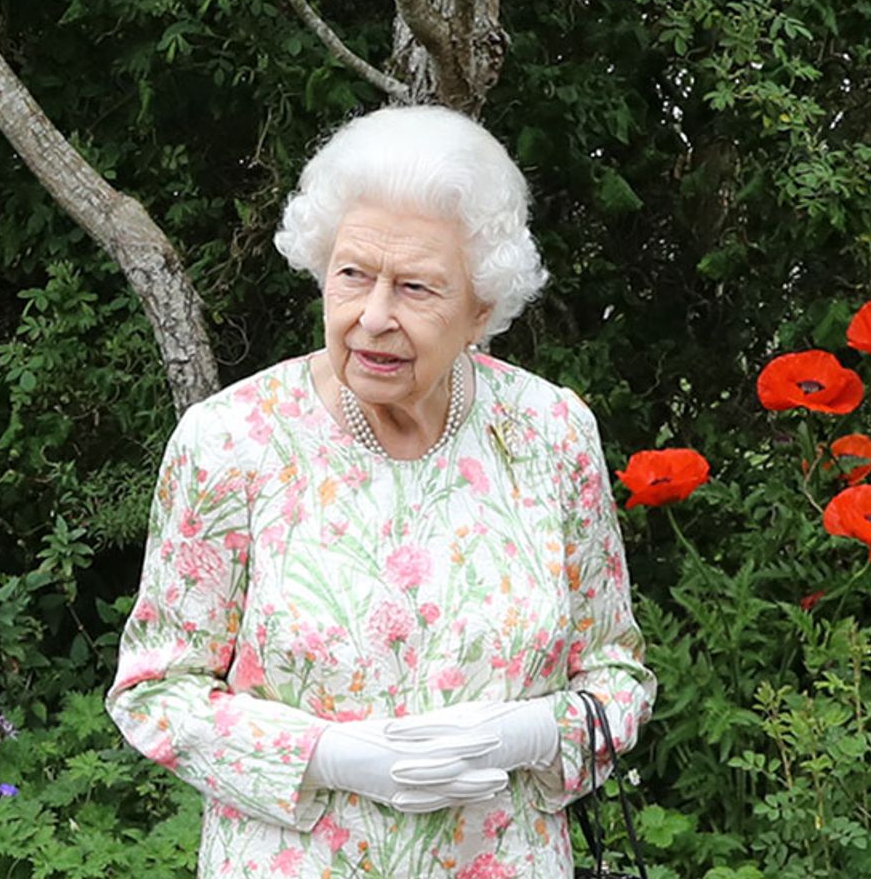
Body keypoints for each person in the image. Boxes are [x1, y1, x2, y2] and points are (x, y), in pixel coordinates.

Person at [106, 106, 655, 877]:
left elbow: (616, 679)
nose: (373, 317)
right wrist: (329, 756)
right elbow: (155, 693)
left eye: (417, 288)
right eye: (353, 274)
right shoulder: (232, 442)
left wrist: (530, 736)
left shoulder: (550, 432)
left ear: (482, 308)